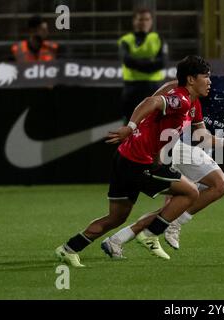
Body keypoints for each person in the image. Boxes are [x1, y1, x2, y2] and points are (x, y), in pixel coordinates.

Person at [102, 42, 224, 258]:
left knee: (174, 207)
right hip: (184, 144)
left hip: (206, 147)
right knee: (220, 186)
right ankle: (172, 224)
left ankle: (118, 240)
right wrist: (154, 104)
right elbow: (177, 85)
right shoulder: (213, 83)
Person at [55, 55, 211, 267]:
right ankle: (151, 233)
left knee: (116, 218)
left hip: (126, 157)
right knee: (191, 192)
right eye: (206, 76)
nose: (209, 81)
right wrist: (130, 127)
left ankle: (69, 248)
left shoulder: (192, 102)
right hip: (138, 162)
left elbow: (165, 129)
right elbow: (152, 102)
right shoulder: (181, 99)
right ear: (191, 79)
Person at [118, 8, 167, 123]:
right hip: (132, 89)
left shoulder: (158, 39)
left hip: (154, 88)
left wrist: (138, 63)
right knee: (129, 123)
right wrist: (150, 64)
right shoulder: (125, 40)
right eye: (140, 19)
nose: (144, 22)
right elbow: (127, 61)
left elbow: (162, 63)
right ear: (134, 21)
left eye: (147, 19)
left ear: (151, 21)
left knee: (155, 123)